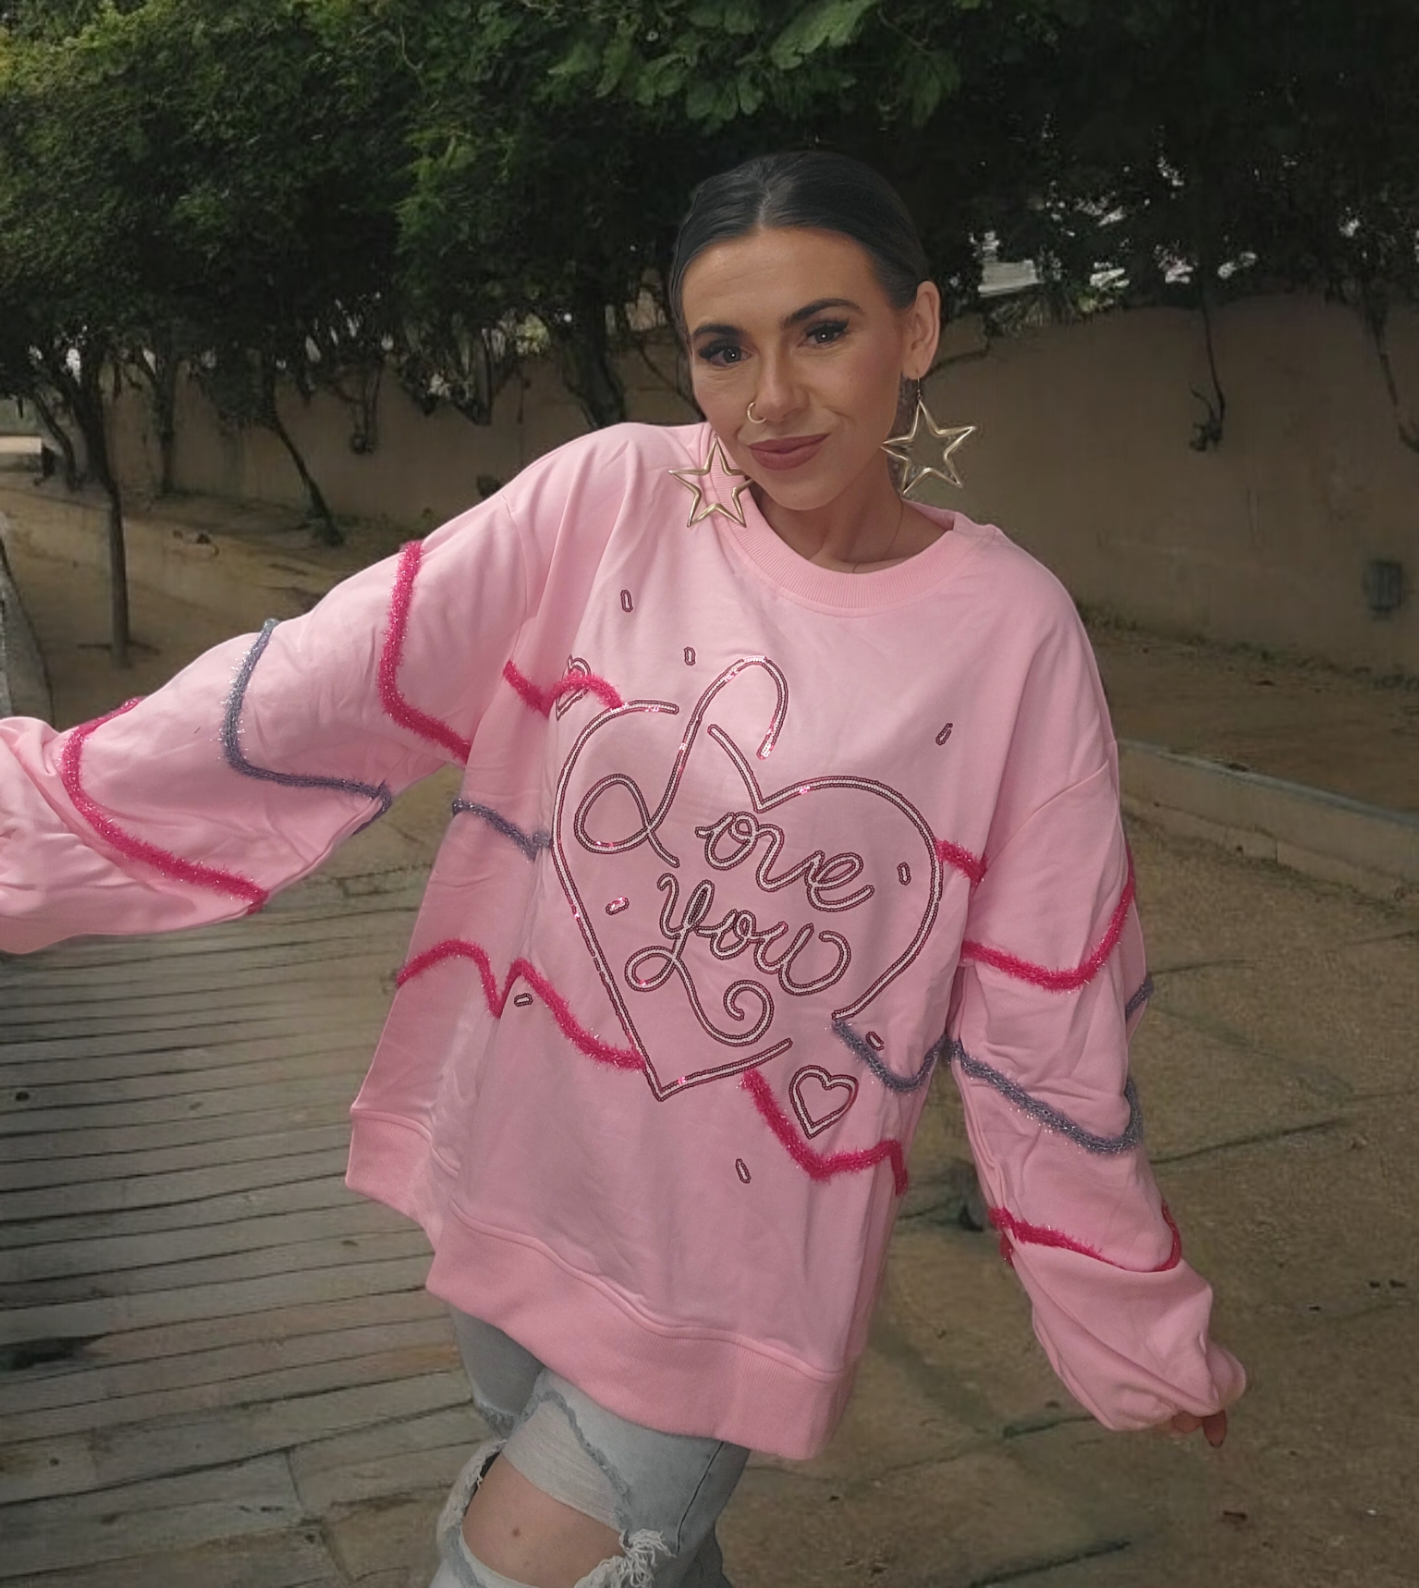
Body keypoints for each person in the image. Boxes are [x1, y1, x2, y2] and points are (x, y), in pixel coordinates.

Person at [0, 152, 1244, 1588]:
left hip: (729, 1256)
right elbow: (318, 687)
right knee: (651, 1558)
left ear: (914, 331)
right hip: (513, 1163)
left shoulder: (1012, 631)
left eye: (821, 331)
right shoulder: (613, 498)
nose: (770, 398)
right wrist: (35, 816)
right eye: (723, 348)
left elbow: (1047, 1007)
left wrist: (1126, 1315)